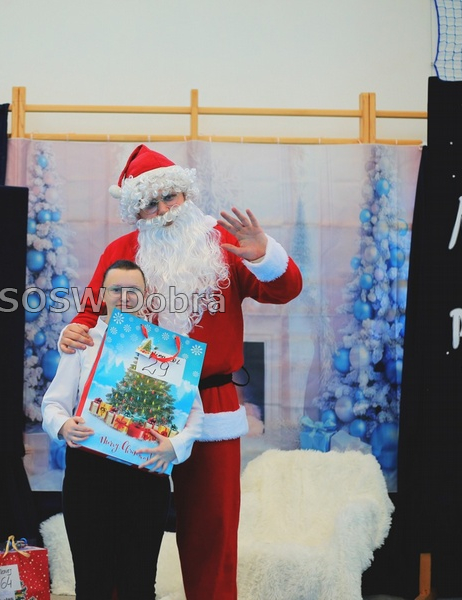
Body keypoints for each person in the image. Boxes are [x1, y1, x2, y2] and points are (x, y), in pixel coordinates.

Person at [59, 145, 303, 599]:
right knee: (126, 519)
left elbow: (285, 291)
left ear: (185, 194)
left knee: (213, 526)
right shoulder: (122, 251)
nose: (164, 210)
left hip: (212, 401)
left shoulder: (225, 244)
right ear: (137, 212)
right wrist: (74, 331)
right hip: (137, 398)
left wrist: (263, 254)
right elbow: (91, 312)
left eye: (169, 197)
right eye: (150, 204)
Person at [42, 259, 203, 600]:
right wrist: (63, 425)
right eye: (116, 289)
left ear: (146, 296)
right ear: (102, 294)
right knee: (91, 583)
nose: (125, 297)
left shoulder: (169, 346)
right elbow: (53, 404)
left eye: (133, 290)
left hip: (147, 476)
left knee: (139, 584)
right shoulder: (82, 342)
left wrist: (174, 448)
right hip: (88, 475)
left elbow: (195, 417)